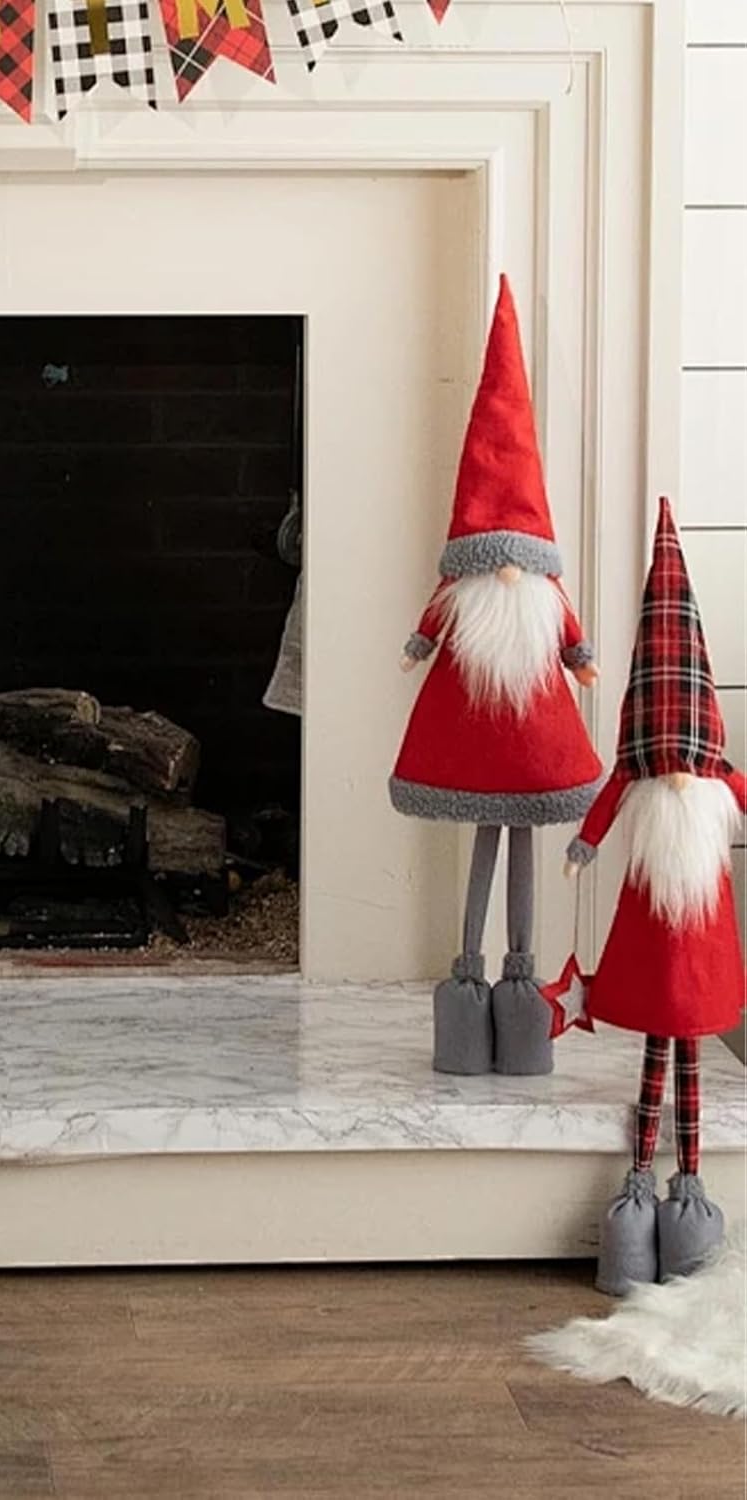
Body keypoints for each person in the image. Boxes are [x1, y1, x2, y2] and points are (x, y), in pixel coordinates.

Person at [392, 276, 603, 1076]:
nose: (509, 572)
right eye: (496, 556)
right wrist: (418, 646)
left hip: (533, 751)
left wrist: (581, 660)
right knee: (486, 847)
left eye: (519, 558)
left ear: (537, 556)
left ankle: (520, 987)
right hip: (477, 747)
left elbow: (571, 636)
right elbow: (433, 620)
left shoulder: (543, 604)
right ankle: (466, 977)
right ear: (476, 556)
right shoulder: (467, 599)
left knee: (518, 850)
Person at [564, 498, 744, 1295]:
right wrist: (582, 845)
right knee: (657, 1058)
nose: (675, 773)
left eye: (687, 756)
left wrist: (586, 844)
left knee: (688, 1056)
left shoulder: (711, 788)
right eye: (663, 756)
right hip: (657, 941)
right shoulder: (647, 785)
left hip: (697, 948)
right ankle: (640, 1187)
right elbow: (608, 799)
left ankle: (688, 1189)